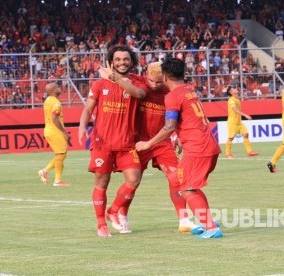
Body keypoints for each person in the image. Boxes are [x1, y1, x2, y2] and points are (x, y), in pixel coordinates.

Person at [136, 57, 223, 239]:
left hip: (197, 148)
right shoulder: (189, 89)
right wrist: (180, 136)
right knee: (191, 186)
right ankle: (207, 222)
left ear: (165, 77)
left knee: (187, 188)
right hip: (208, 144)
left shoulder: (172, 96)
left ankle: (211, 228)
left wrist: (148, 143)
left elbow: (168, 126)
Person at [78, 45, 148, 237]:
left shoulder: (138, 83)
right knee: (102, 182)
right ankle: (101, 223)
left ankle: (113, 210)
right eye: (117, 59)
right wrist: (82, 126)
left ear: (131, 61)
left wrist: (115, 78)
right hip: (103, 143)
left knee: (134, 180)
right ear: (111, 62)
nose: (122, 62)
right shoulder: (100, 84)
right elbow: (88, 109)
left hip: (127, 144)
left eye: (125, 59)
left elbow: (139, 95)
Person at [121, 62, 198, 233]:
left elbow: (176, 115)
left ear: (164, 78)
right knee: (133, 182)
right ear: (145, 74)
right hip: (138, 142)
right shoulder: (138, 85)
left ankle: (183, 220)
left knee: (175, 178)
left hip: (161, 142)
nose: (155, 86)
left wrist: (176, 134)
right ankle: (122, 215)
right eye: (151, 81)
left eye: (158, 82)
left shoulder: (170, 91)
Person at [37, 82, 71, 187]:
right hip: (55, 131)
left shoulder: (48, 100)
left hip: (49, 130)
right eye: (57, 87)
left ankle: (46, 172)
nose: (59, 88)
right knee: (61, 155)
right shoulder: (56, 102)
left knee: (61, 154)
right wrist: (64, 132)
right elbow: (55, 118)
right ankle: (56, 180)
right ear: (52, 91)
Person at [225, 85, 259, 158]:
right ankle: (228, 154)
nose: (235, 89)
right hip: (233, 122)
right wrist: (245, 115)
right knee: (231, 138)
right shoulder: (231, 100)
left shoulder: (237, 99)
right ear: (231, 92)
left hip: (239, 122)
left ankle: (249, 152)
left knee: (246, 134)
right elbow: (234, 109)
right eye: (234, 89)